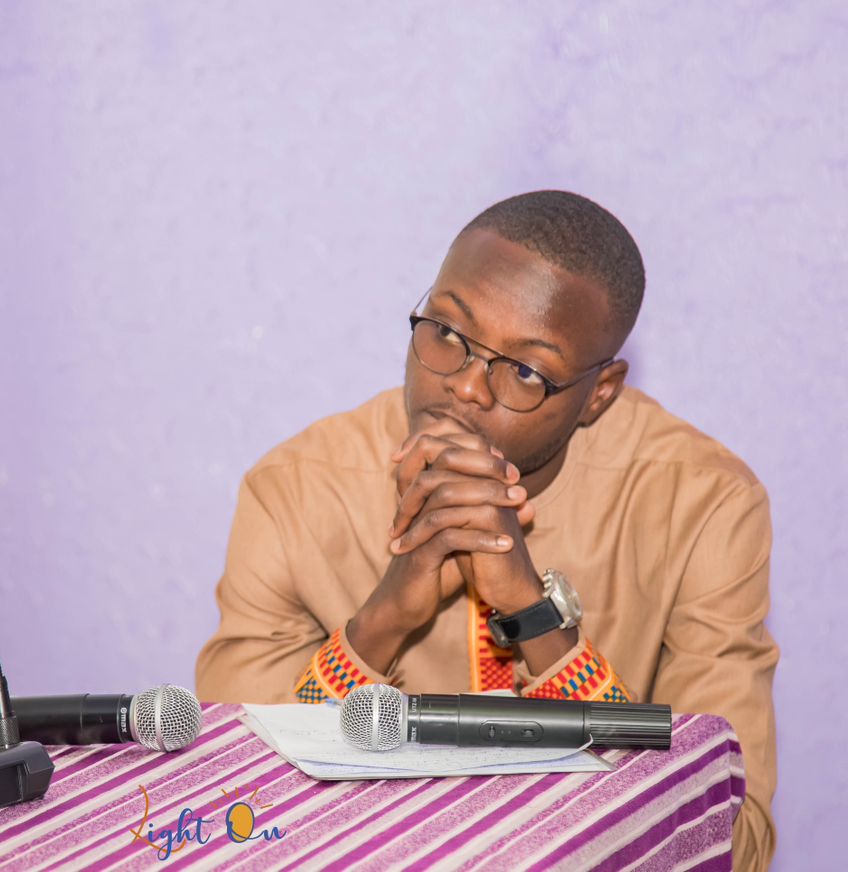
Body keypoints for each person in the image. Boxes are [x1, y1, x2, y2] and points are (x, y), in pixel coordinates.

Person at [195, 191, 777, 870]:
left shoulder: (704, 505)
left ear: (599, 393)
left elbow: (734, 847)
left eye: (526, 371)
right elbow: (229, 812)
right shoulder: (295, 492)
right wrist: (379, 624)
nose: (466, 388)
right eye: (446, 332)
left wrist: (534, 617)